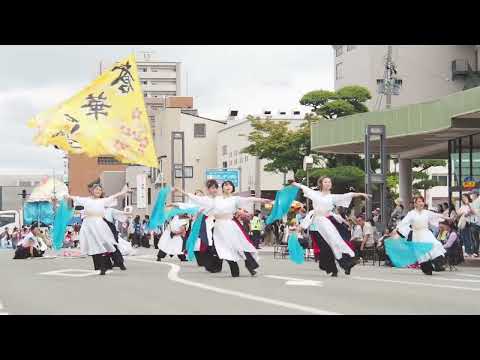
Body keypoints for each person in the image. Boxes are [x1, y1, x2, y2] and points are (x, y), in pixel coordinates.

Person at [176, 180, 271, 277]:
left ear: (233, 188)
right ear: (222, 188)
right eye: (225, 185)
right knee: (224, 248)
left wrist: (262, 200)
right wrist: (181, 192)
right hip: (219, 227)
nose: (228, 186)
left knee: (241, 245)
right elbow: (196, 199)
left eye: (230, 185)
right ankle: (234, 268)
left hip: (231, 225)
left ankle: (250, 265)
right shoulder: (216, 199)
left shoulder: (235, 199)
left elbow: (250, 199)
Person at [292, 177, 370, 277]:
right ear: (321, 184)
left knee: (336, 242)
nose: (328, 183)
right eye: (325, 182)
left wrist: (361, 194)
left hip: (326, 223)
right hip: (316, 225)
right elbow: (303, 187)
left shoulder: (332, 197)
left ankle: (346, 264)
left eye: (329, 182)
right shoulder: (314, 193)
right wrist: (294, 184)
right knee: (324, 248)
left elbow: (346, 195)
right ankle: (331, 267)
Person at [65, 183, 129, 275]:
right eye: (96, 189)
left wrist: (122, 192)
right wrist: (67, 195)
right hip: (88, 225)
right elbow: (75, 198)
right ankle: (100, 266)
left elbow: (113, 197)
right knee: (93, 245)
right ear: (92, 191)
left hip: (99, 224)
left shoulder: (103, 201)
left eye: (100, 190)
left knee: (104, 243)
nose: (98, 191)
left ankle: (108, 265)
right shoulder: (86, 200)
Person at [393, 195, 447, 275]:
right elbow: (404, 222)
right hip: (417, 234)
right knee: (422, 253)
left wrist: (445, 217)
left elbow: (436, 216)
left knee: (435, 244)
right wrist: (397, 229)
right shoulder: (411, 213)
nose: (421, 203)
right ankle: (427, 268)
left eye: (422, 201)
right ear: (415, 204)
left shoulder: (426, 212)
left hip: (426, 232)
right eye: (419, 201)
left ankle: (438, 264)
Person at [457, 194, 475, 258]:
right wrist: (462, 213)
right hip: (463, 223)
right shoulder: (462, 206)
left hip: (469, 222)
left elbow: (473, 212)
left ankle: (470, 251)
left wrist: (468, 206)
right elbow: (458, 214)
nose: (463, 199)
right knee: (464, 238)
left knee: (469, 238)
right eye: (462, 198)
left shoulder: (470, 204)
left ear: (468, 197)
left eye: (464, 197)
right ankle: (467, 251)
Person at [468, 189, 480, 257]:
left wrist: (471, 211)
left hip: (476, 222)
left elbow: (475, 211)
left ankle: (475, 252)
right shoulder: (474, 202)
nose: (471, 195)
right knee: (475, 238)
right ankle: (475, 251)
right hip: (474, 222)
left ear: (475, 194)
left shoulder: (478, 201)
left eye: (472, 194)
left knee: (475, 238)